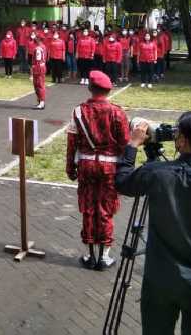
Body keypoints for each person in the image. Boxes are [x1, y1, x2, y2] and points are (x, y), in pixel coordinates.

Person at [115, 112, 191, 335]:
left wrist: (133, 144)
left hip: (160, 281)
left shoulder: (156, 174)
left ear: (181, 141)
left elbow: (123, 182)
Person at [66, 70, 129, 270]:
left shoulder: (78, 111)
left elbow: (71, 142)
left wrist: (70, 167)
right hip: (109, 167)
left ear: (90, 88)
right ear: (109, 90)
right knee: (106, 210)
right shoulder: (117, 112)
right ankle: (104, 256)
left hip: (86, 165)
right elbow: (125, 143)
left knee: (88, 208)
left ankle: (89, 254)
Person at [31, 36, 48, 110]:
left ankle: (41, 102)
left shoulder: (38, 48)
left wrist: (33, 70)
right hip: (42, 67)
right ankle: (40, 102)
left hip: (38, 68)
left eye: (36, 38)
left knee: (39, 85)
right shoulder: (43, 46)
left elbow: (38, 60)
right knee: (40, 85)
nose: (34, 39)